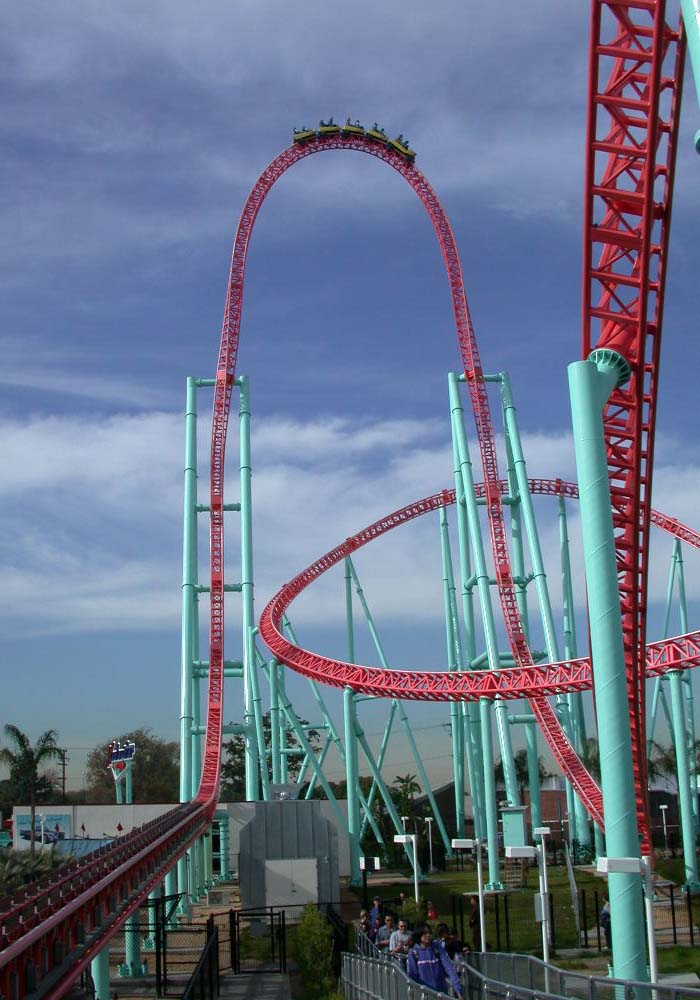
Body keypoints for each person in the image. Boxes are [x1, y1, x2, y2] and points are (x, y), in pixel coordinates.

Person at [407, 924, 463, 999]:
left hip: (441, 994)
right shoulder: (413, 953)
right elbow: (413, 976)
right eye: (425, 933)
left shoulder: (437, 948)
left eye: (429, 933)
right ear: (419, 935)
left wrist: (458, 989)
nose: (428, 935)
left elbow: (449, 967)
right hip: (425, 995)